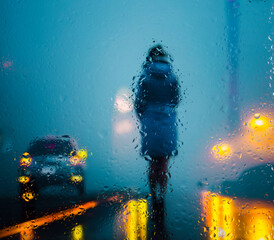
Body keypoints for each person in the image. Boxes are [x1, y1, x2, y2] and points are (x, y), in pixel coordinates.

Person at [134, 44, 180, 239]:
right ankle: (162, 191)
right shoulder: (172, 77)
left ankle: (155, 194)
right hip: (167, 121)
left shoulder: (145, 77)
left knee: (153, 161)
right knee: (164, 161)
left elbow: (139, 102)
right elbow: (176, 99)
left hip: (150, 121)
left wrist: (144, 115)